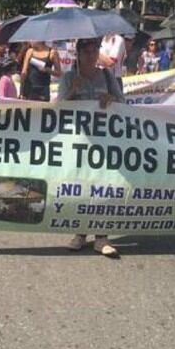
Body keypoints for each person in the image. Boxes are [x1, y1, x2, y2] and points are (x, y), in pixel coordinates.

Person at [60, 38, 125, 257]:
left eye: (94, 50)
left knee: (103, 186)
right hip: (79, 142)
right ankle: (79, 234)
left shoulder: (107, 76)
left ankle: (102, 237)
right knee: (80, 186)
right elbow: (57, 108)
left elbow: (123, 104)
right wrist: (72, 92)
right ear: (77, 54)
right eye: (86, 51)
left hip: (104, 141)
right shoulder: (69, 78)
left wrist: (111, 99)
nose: (90, 55)